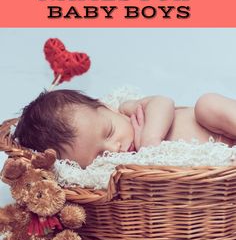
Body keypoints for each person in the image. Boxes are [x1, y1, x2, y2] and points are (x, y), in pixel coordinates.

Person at [14, 89, 236, 169]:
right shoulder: (127, 168)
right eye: (101, 154)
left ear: (107, 108)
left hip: (218, 128)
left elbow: (163, 102)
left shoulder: (128, 110)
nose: (115, 147)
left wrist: (150, 139)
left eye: (109, 132)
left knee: (207, 104)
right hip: (223, 160)